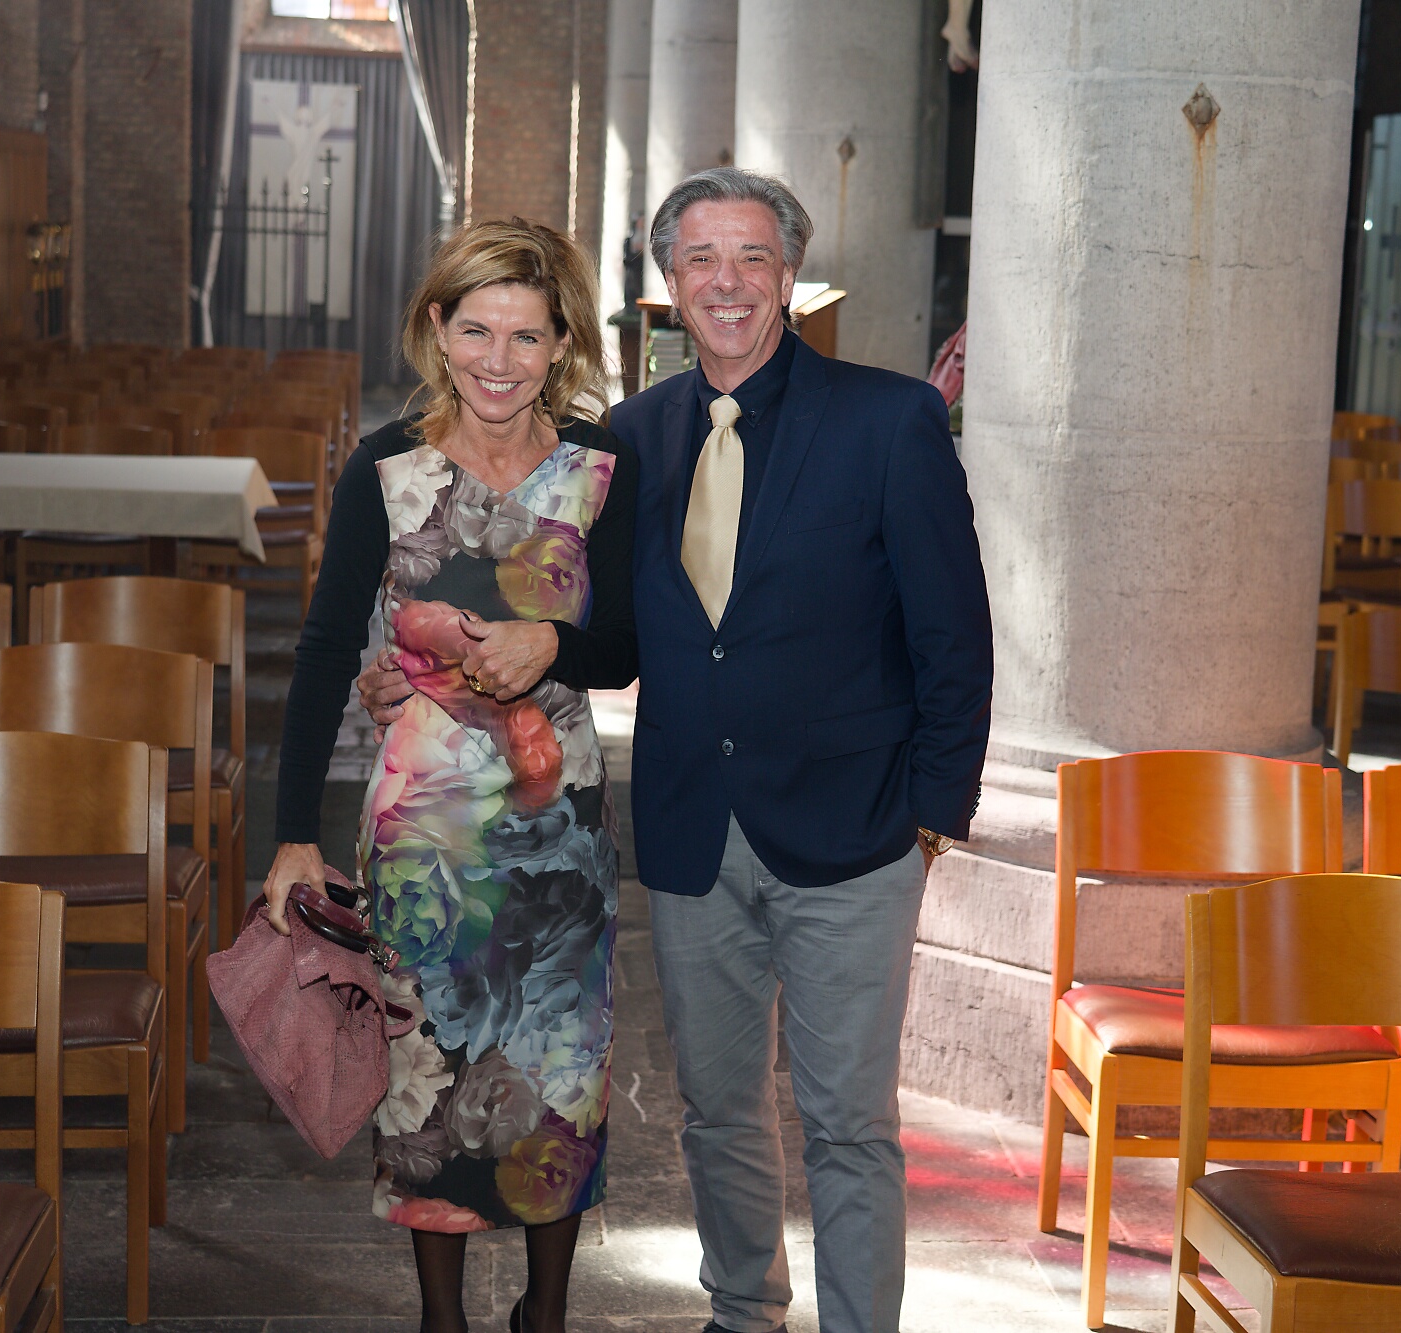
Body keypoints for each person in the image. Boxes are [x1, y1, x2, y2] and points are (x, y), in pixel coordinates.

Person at [363, 167, 994, 1333]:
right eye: (700, 258)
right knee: (717, 1109)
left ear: (789, 276)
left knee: (848, 1123)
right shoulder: (631, 442)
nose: (727, 281)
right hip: (694, 827)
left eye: (753, 256)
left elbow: (954, 632)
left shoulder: (887, 418)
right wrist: (434, 659)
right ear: (667, 281)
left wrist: (930, 814)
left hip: (855, 831)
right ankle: (742, 1312)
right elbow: (594, 631)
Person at [268, 217, 636, 1333]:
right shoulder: (385, 468)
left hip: (559, 827)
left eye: (525, 336)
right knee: (429, 1071)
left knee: (562, 1069)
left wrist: (554, 644)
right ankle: (442, 1317)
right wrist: (293, 832)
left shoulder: (600, 469)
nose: (498, 360)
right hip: (424, 835)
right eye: (476, 330)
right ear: (438, 328)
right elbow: (325, 650)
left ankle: (546, 1310)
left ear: (560, 342)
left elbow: (627, 646)